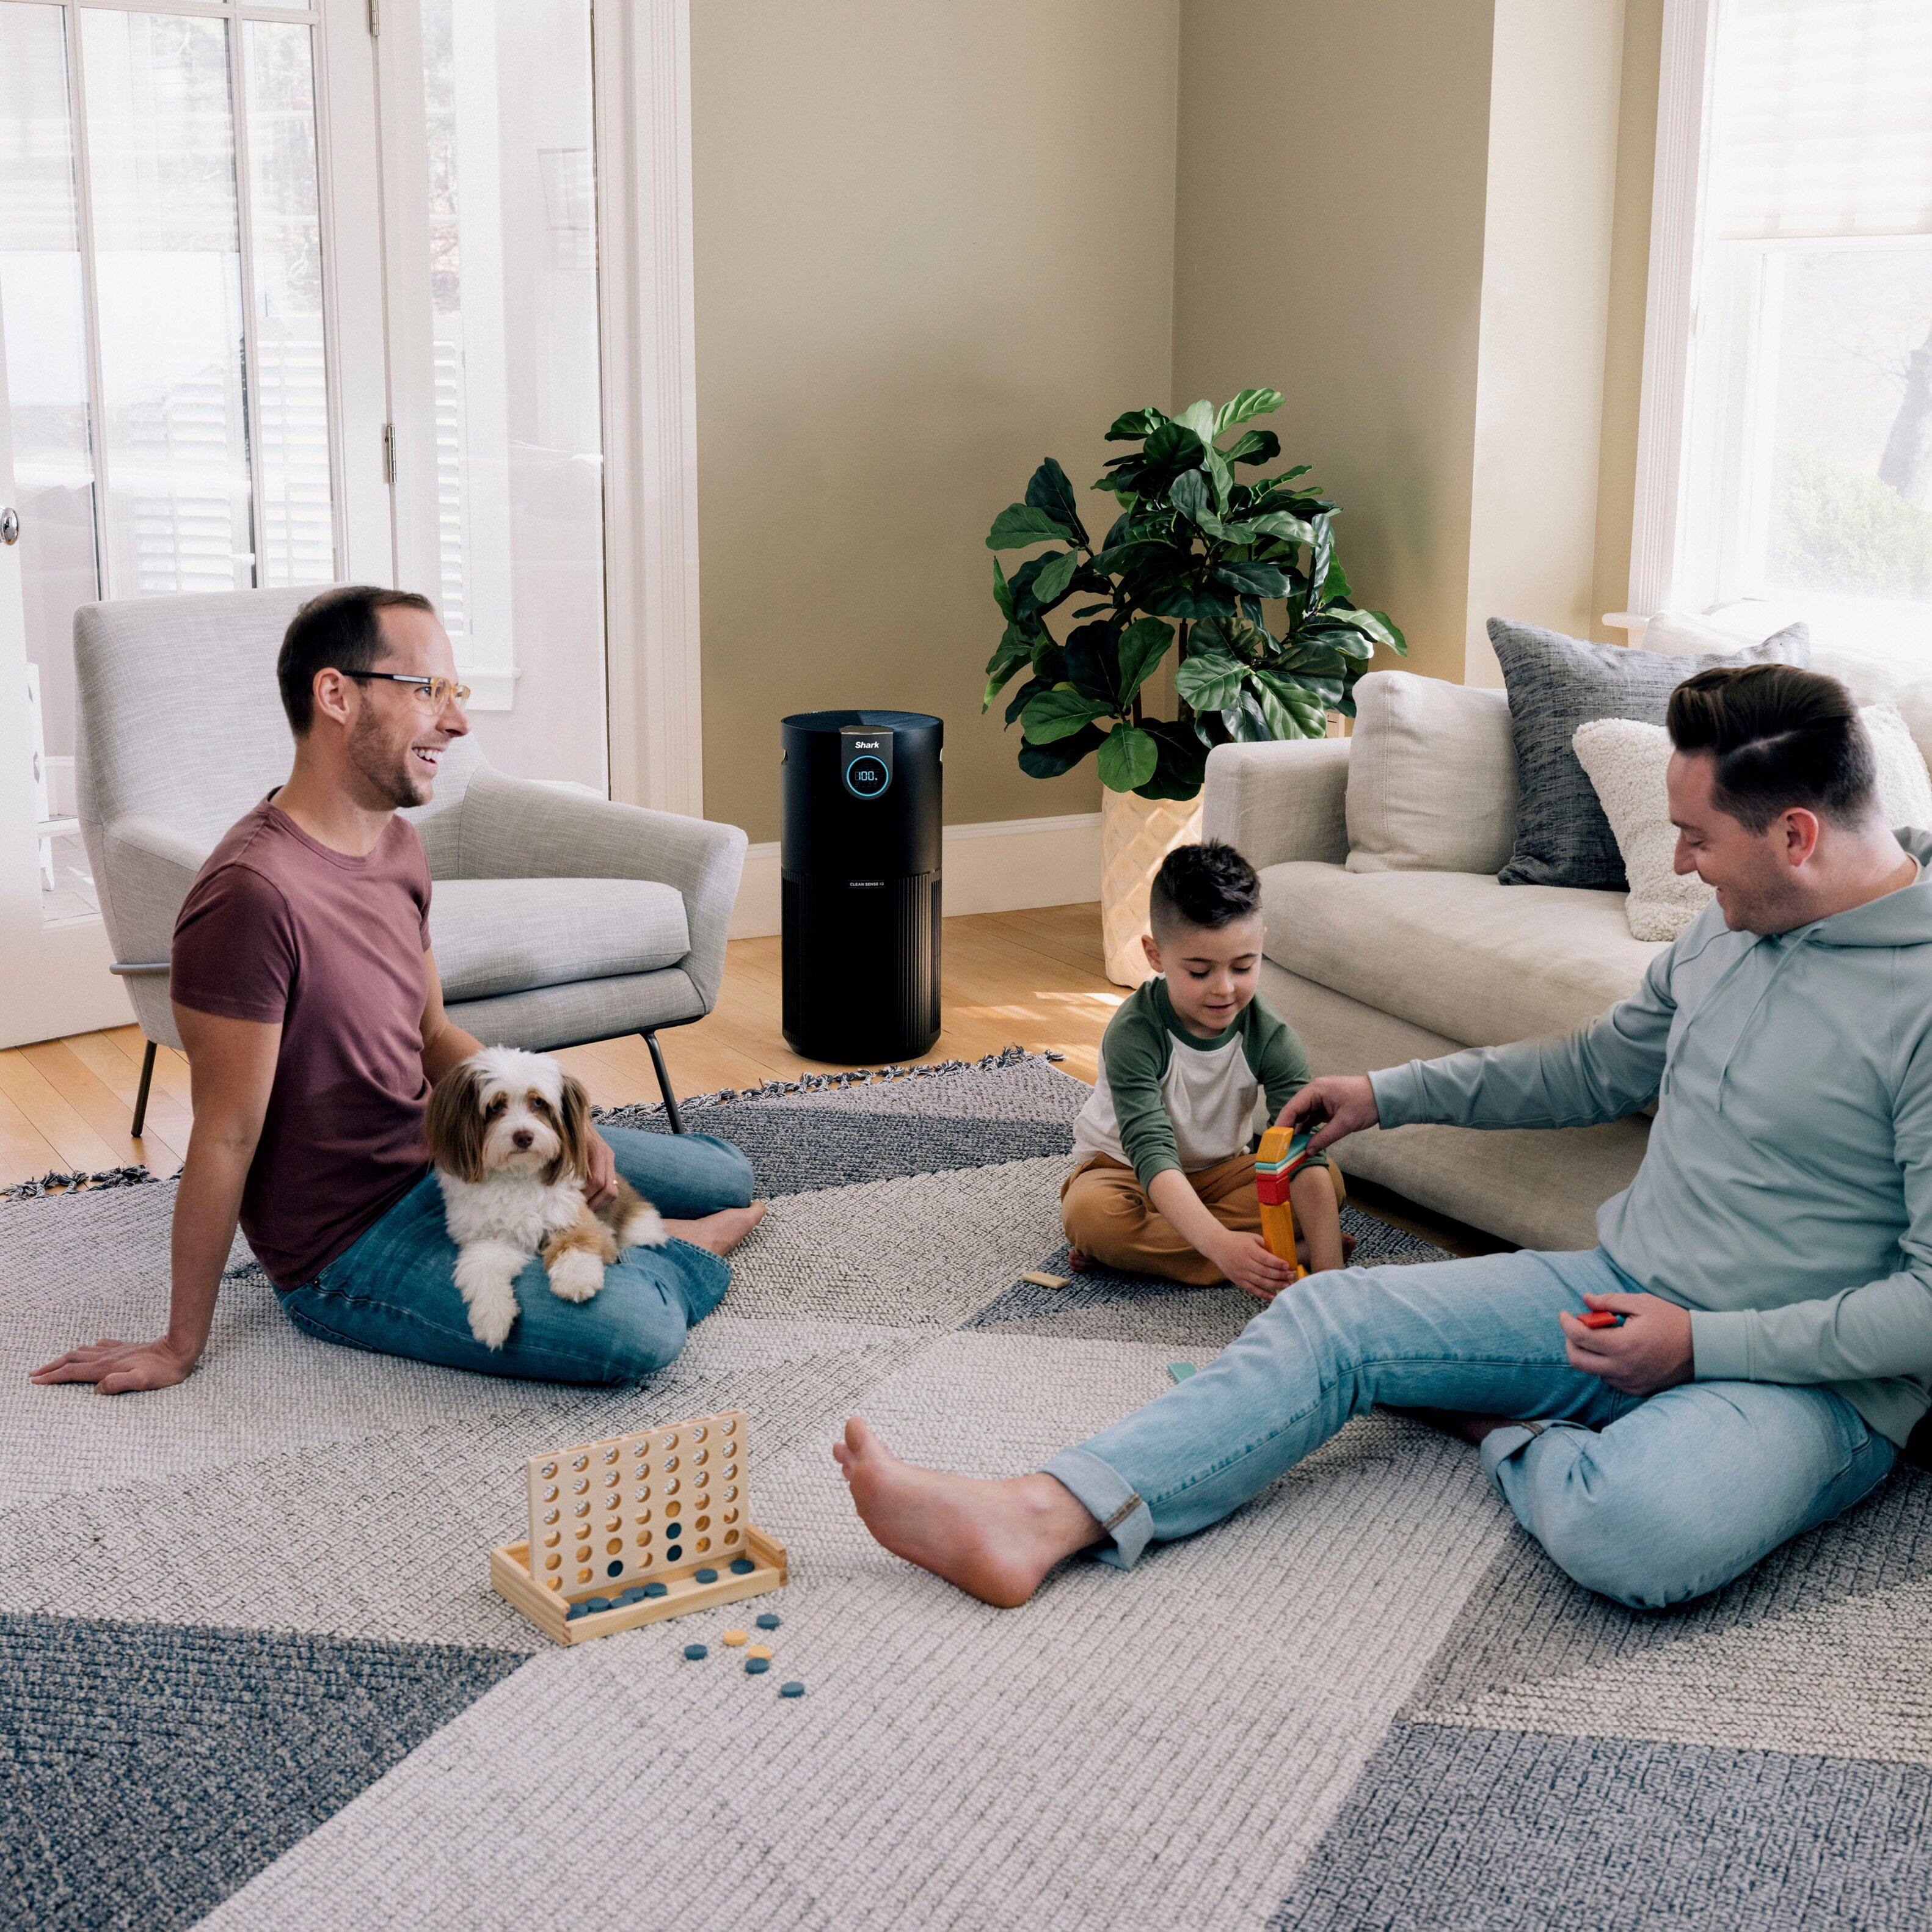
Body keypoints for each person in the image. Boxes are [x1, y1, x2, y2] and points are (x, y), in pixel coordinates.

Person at [833, 662, 1932, 1611]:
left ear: (1793, 835)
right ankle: (1039, 1513)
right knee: (1329, 1314)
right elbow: (1589, 1067)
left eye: (1694, 837)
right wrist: (1381, 1093)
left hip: (1799, 1378)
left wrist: (1698, 1348)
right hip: (1620, 1287)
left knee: (1631, 1530)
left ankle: (1496, 1418)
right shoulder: (1729, 934)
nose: (1682, 864)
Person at [31, 585, 763, 1397]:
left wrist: (563, 1113)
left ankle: (635, 1230)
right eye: (429, 692)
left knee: (725, 1172)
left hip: (445, 1150)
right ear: (336, 693)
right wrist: (178, 1340)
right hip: (349, 1240)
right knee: (637, 1329)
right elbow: (226, 1134)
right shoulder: (249, 894)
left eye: (456, 693)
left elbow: (433, 1033)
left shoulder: (397, 846)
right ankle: (668, 1249)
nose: (456, 722)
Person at [1061, 841, 1347, 1296]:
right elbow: (1151, 1151)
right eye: (1199, 971)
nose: (1224, 989)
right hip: (1123, 1168)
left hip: (1222, 1171)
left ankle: (1154, 1254)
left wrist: (1331, 1280)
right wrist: (1222, 1246)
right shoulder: (1134, 1033)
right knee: (1093, 1217)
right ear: (1155, 955)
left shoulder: (1269, 1034)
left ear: (1260, 945)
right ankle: (1273, 1253)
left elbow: (1300, 1149)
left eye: (1243, 966)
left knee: (1325, 1183)